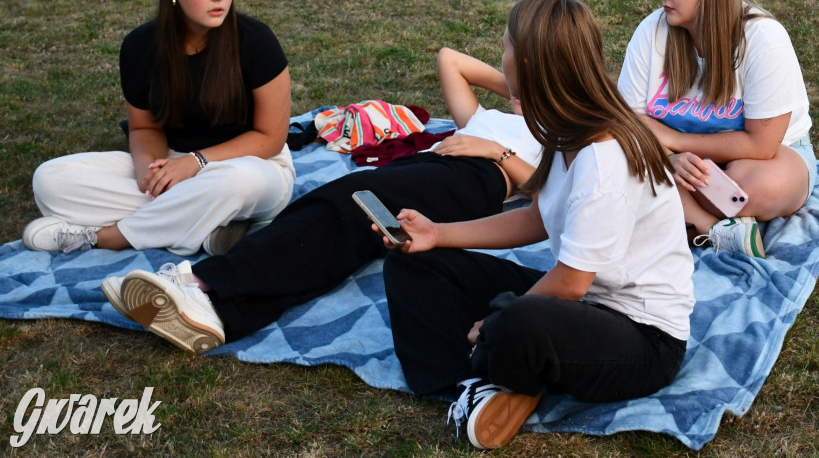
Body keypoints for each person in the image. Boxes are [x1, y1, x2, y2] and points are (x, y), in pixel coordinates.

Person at [382, 0, 694, 451]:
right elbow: (537, 216)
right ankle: (475, 383)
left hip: (644, 340)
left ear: (526, 63)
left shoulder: (604, 158)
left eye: (505, 47)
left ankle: (497, 365)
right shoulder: (564, 126)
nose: (501, 57)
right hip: (582, 306)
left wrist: (496, 320)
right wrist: (438, 234)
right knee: (414, 264)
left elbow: (570, 282)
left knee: (516, 320)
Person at [100, 46, 543, 354]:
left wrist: (498, 151)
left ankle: (204, 283)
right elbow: (450, 60)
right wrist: (520, 93)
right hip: (428, 168)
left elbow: (550, 193)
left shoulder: (557, 134)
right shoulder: (485, 116)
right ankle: (225, 313)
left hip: (476, 179)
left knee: (340, 210)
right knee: (336, 225)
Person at [23, 0, 294, 258]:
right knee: (50, 180)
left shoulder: (256, 41)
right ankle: (205, 226)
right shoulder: (140, 47)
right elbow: (143, 127)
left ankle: (105, 238)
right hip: (173, 161)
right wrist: (148, 170)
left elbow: (270, 138)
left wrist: (196, 163)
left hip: (252, 167)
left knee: (235, 183)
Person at [617, 0, 816, 258]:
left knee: (742, 188)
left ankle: (673, 208)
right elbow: (629, 121)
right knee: (602, 155)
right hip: (672, 158)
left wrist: (675, 142)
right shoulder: (652, 31)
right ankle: (710, 226)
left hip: (768, 157)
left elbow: (761, 145)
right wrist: (668, 159)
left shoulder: (764, 38)